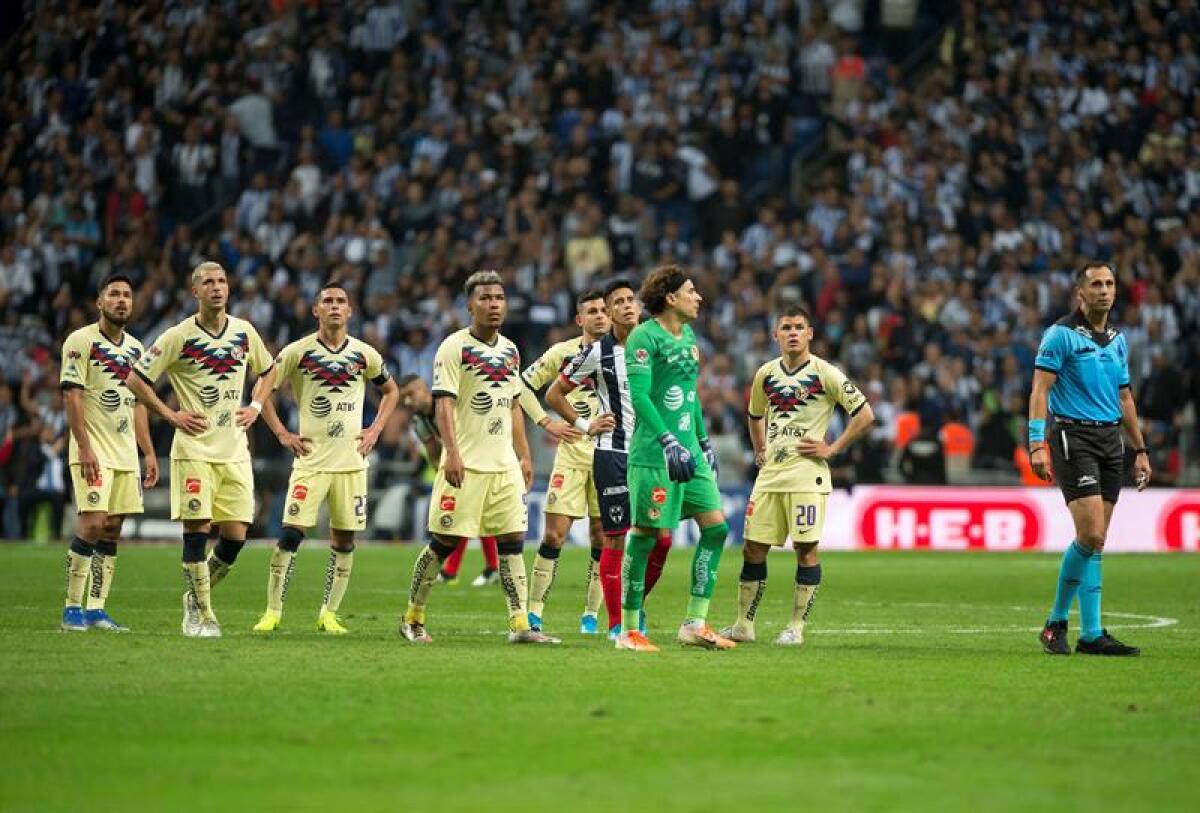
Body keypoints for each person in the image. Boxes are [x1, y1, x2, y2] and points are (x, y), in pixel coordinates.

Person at [398, 270, 571, 645]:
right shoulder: (453, 348)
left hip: (502, 465)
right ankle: (413, 617)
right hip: (466, 465)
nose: (494, 304)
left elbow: (512, 404)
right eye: (485, 298)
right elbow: (443, 404)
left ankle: (521, 625)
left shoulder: (509, 350)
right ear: (469, 305)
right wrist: (452, 454)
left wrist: (524, 456)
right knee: (443, 544)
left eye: (499, 298)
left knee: (512, 542)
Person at [240, 280, 399, 633]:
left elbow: (391, 390)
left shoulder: (364, 354)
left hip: (350, 463)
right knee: (291, 535)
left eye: (341, 301)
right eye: (327, 301)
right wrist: (281, 433)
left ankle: (329, 613)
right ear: (315, 310)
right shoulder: (298, 351)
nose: (334, 306)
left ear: (350, 310)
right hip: (311, 461)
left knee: (344, 540)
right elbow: (261, 388)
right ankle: (273, 611)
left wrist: (374, 430)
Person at [127, 262, 274, 638]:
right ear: (195, 292)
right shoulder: (178, 336)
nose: (216, 287)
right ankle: (201, 615)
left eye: (222, 281)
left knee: (237, 536)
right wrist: (170, 415)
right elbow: (134, 379)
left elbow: (269, 370)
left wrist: (255, 405)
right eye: (208, 282)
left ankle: (194, 595)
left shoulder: (244, 332)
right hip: (193, 450)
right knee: (198, 529)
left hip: (234, 450)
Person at [719, 305, 875, 646]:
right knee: (752, 549)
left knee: (805, 550)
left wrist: (832, 449)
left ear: (810, 334)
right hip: (770, 476)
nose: (792, 332)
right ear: (776, 335)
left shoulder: (826, 373)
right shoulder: (765, 374)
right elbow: (754, 414)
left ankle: (795, 628)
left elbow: (865, 415)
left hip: (807, 476)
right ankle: (744, 625)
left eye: (798, 327)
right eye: (786, 327)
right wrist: (760, 449)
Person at [1031, 262, 1151, 657]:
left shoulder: (1117, 341)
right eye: (1096, 284)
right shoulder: (1060, 335)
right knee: (1091, 534)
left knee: (1096, 543)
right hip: (1072, 436)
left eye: (1110, 283)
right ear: (1080, 293)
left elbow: (1125, 398)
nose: (1104, 290)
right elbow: (1040, 390)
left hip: (1109, 440)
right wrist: (1036, 443)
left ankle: (1092, 632)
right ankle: (1055, 623)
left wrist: (1141, 450)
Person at [550, 278, 673, 640]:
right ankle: (618, 624)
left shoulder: (658, 341)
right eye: (615, 303)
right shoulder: (597, 353)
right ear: (609, 312)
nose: (624, 306)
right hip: (613, 453)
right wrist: (586, 424)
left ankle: (633, 604)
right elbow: (555, 393)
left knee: (662, 539)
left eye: (628, 300)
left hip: (653, 455)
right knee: (614, 539)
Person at [620, 265, 733, 652]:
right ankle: (629, 630)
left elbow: (689, 394)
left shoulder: (689, 337)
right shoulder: (643, 337)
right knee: (646, 536)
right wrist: (668, 440)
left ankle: (694, 623)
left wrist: (703, 441)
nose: (698, 296)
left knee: (717, 528)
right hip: (656, 454)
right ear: (670, 298)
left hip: (690, 453)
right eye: (691, 290)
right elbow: (640, 397)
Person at [58, 273, 159, 632]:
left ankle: (97, 609)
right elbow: (72, 395)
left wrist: (147, 452)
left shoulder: (135, 349)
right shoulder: (80, 341)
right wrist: (84, 447)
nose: (121, 301)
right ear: (100, 302)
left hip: (124, 453)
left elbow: (138, 403)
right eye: (114, 294)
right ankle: (72, 607)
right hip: (93, 449)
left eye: (127, 296)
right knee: (92, 523)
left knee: (113, 529)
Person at [520, 289, 615, 634]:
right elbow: (522, 386)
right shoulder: (561, 353)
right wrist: (547, 422)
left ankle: (591, 614)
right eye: (593, 311)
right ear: (580, 320)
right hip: (572, 456)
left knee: (602, 538)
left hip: (610, 457)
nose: (601, 315)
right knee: (554, 535)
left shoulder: (623, 354)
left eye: (605, 309)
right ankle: (534, 611)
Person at [398, 373, 501, 587]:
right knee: (471, 515)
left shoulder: (447, 402)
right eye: (404, 399)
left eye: (410, 394)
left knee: (466, 516)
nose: (408, 402)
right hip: (460, 464)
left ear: (423, 388)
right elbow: (434, 454)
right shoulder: (420, 422)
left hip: (481, 455)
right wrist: (444, 477)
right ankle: (490, 568)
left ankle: (454, 571)